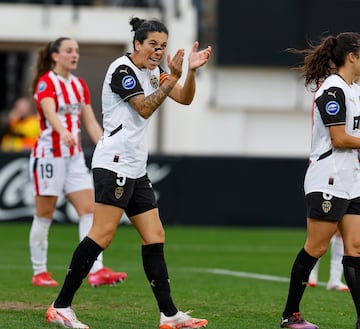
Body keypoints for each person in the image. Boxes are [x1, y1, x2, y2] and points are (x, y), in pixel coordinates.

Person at [45, 17, 211, 329]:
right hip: (114, 162)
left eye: (162, 46)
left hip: (135, 165)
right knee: (102, 234)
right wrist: (172, 77)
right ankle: (61, 305)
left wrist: (189, 72)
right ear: (137, 44)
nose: (158, 51)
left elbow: (185, 99)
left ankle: (169, 314)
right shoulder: (122, 70)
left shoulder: (156, 71)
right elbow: (144, 108)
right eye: (152, 44)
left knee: (154, 235)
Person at [28, 37, 127, 288]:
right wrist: (62, 131)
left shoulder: (79, 85)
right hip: (50, 154)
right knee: (44, 215)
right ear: (55, 56)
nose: (75, 55)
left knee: (88, 210)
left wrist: (107, 145)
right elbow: (49, 112)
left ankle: (96, 269)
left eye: (77, 51)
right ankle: (39, 271)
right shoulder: (45, 83)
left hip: (73, 157)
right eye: (69, 51)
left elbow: (90, 122)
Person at [280, 31, 360, 329]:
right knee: (316, 248)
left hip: (351, 178)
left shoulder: (354, 89)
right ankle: (290, 314)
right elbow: (339, 138)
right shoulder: (333, 90)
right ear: (352, 56)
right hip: (328, 178)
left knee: (355, 248)